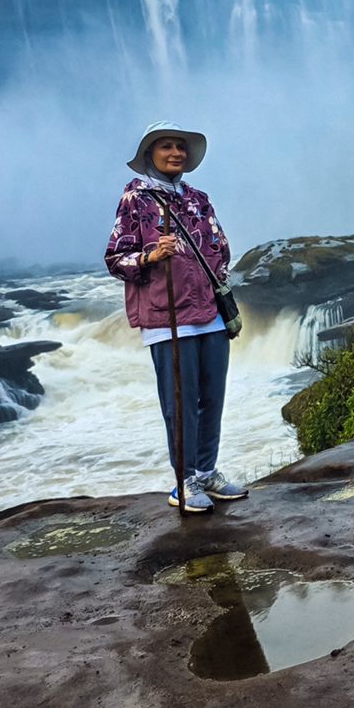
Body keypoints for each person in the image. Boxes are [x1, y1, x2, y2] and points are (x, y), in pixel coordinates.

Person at [105, 120, 248, 513]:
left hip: (210, 314)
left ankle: (207, 472)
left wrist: (215, 270)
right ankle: (183, 483)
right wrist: (151, 256)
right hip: (167, 316)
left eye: (180, 147)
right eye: (166, 146)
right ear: (150, 154)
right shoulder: (136, 199)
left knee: (212, 398)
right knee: (180, 403)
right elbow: (116, 258)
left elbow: (219, 246)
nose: (175, 153)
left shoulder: (199, 198)